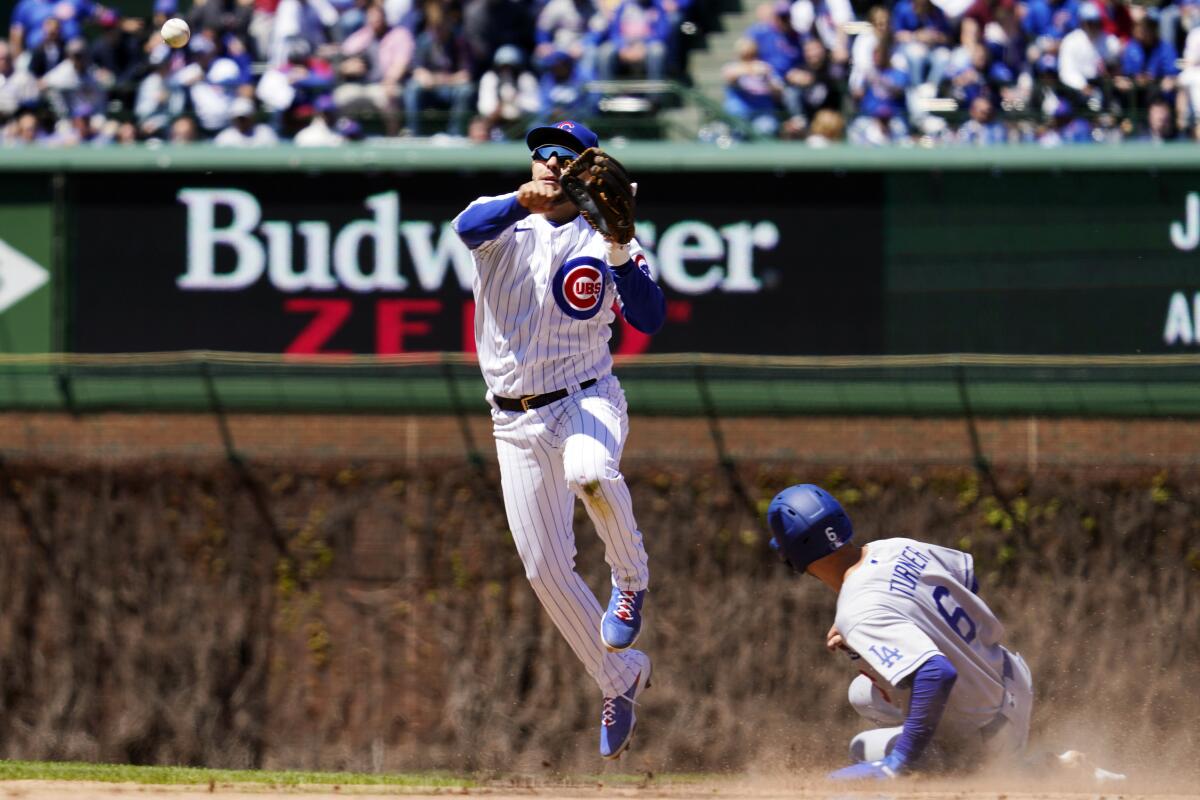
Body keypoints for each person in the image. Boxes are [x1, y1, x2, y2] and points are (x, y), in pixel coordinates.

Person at [451, 120, 665, 761]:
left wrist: (623, 245)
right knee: (544, 570)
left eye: (563, 154)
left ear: (586, 167)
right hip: (512, 421)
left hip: (586, 397)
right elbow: (466, 228)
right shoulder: (502, 222)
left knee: (590, 471)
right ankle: (620, 677)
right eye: (539, 151)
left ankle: (630, 579)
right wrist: (521, 199)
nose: (548, 160)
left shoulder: (605, 240)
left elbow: (651, 316)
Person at [766, 484, 1034, 779]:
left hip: (988, 734)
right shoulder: (896, 547)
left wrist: (900, 762)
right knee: (864, 693)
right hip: (1014, 680)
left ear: (792, 557)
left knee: (863, 749)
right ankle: (1042, 765)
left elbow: (937, 672)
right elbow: (967, 583)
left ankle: (983, 767)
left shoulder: (857, 611)